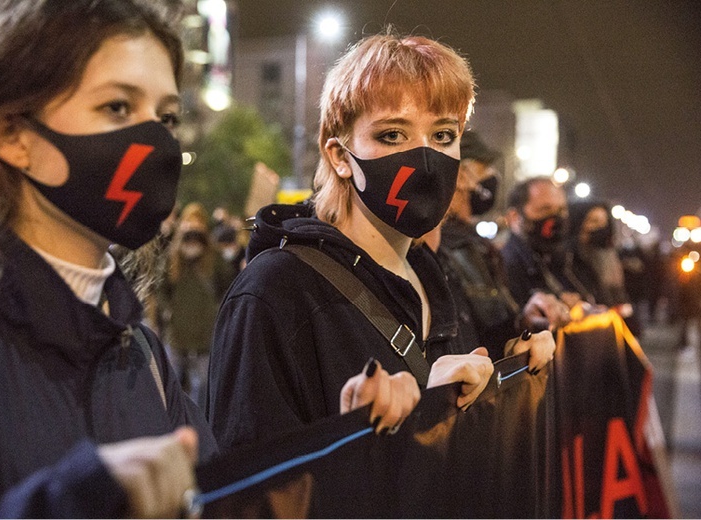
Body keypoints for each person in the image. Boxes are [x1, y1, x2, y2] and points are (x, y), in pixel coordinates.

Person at [0, 1, 414, 516]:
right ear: (12, 135)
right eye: (117, 108)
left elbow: (228, 506)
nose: (155, 140)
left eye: (166, 117)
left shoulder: (141, 353)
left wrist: (349, 432)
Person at [205, 32, 554, 452]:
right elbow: (256, 495)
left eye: (443, 135)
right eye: (392, 135)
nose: (425, 159)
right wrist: (384, 426)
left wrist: (508, 368)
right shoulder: (275, 291)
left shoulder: (433, 276)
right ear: (339, 157)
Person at [423, 132, 571, 360]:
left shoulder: (472, 243)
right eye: (484, 169)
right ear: (461, 175)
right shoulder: (449, 244)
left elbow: (492, 324)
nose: (491, 177)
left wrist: (524, 319)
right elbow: (482, 333)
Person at [157, 201, 233, 401]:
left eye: (197, 224)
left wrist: (218, 310)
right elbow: (160, 288)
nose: (193, 231)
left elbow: (229, 282)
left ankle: (200, 427)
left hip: (205, 334)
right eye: (189, 224)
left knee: (205, 387)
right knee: (172, 386)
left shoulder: (213, 256)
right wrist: (168, 310)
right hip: (177, 333)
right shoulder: (173, 256)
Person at [501, 176, 595, 310]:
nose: (556, 218)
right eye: (545, 210)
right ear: (515, 217)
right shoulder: (503, 267)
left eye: (561, 210)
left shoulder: (564, 259)